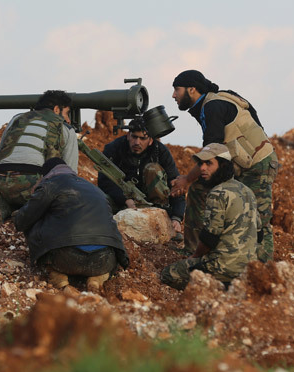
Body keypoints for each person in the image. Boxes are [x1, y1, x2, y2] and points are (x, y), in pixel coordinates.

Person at [170, 70, 278, 262]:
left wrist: (186, 179)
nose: (173, 95)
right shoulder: (212, 103)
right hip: (238, 165)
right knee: (199, 190)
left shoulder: (213, 107)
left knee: (259, 218)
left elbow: (211, 153)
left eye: (177, 90)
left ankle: (262, 268)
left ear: (192, 89)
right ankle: (193, 251)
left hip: (257, 167)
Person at [13, 157, 128, 292]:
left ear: (46, 174)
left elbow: (22, 221)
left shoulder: (50, 185)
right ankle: (97, 279)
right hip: (104, 260)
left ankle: (58, 277)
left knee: (35, 221)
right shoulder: (96, 190)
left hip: (65, 258)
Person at [161, 143, 260, 290]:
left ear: (223, 165)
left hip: (221, 267)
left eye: (209, 163)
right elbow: (259, 233)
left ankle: (219, 287)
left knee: (168, 274)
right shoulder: (247, 191)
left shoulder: (217, 193)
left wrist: (195, 257)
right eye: (201, 163)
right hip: (248, 268)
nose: (202, 168)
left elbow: (210, 237)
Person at [0, 90, 79, 222]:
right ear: (57, 109)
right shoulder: (65, 128)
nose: (68, 119)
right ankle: (28, 210)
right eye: (67, 113)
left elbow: (1, 151)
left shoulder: (17, 119)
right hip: (32, 187)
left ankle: (2, 200)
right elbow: (70, 174)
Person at [97, 118, 186, 238]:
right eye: (134, 137)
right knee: (99, 198)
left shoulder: (160, 151)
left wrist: (176, 217)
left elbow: (176, 185)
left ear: (150, 140)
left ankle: (162, 221)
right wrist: (125, 199)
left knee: (153, 169)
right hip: (122, 201)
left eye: (142, 138)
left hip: (153, 205)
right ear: (128, 135)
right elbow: (104, 181)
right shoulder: (114, 148)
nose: (137, 142)